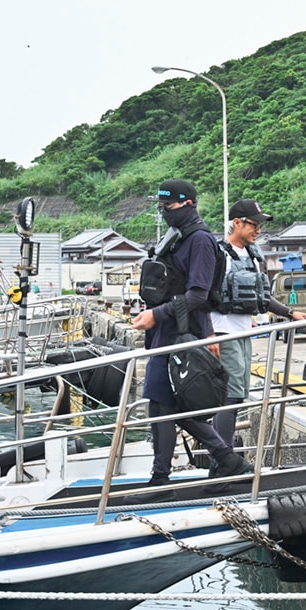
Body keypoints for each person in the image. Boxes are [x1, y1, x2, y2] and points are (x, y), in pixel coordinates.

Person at [128, 178, 239, 502]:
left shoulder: (201, 240)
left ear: (187, 205)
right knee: (166, 404)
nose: (164, 212)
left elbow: (198, 295)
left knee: (162, 402)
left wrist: (156, 314)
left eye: (169, 206)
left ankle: (162, 480)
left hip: (182, 331)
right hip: (164, 330)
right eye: (160, 206)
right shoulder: (175, 237)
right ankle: (226, 458)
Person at [209, 199, 306, 475]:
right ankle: (223, 463)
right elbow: (204, 296)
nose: (258, 229)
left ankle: (224, 459)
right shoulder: (220, 255)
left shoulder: (253, 256)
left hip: (243, 332)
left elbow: (262, 298)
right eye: (253, 224)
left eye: (260, 224)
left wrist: (291, 313)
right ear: (237, 223)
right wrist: (209, 336)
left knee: (238, 396)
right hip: (223, 331)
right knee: (228, 397)